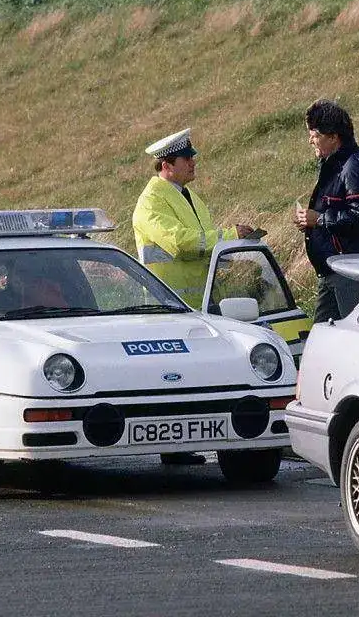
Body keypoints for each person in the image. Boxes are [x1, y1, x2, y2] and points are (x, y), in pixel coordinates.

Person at [132, 127, 254, 466]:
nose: (194, 163)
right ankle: (173, 445)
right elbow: (183, 242)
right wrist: (228, 236)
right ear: (168, 164)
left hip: (196, 302)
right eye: (188, 158)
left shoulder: (188, 195)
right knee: (172, 375)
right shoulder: (152, 201)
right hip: (166, 304)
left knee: (196, 372)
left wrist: (224, 253)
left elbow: (200, 243)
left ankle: (190, 438)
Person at [293, 99, 359, 322]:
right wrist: (310, 222)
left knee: (356, 340)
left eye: (315, 134)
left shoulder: (356, 167)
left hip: (352, 272)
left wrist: (319, 220)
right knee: (322, 337)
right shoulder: (336, 165)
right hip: (333, 271)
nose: (311, 140)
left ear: (334, 136)